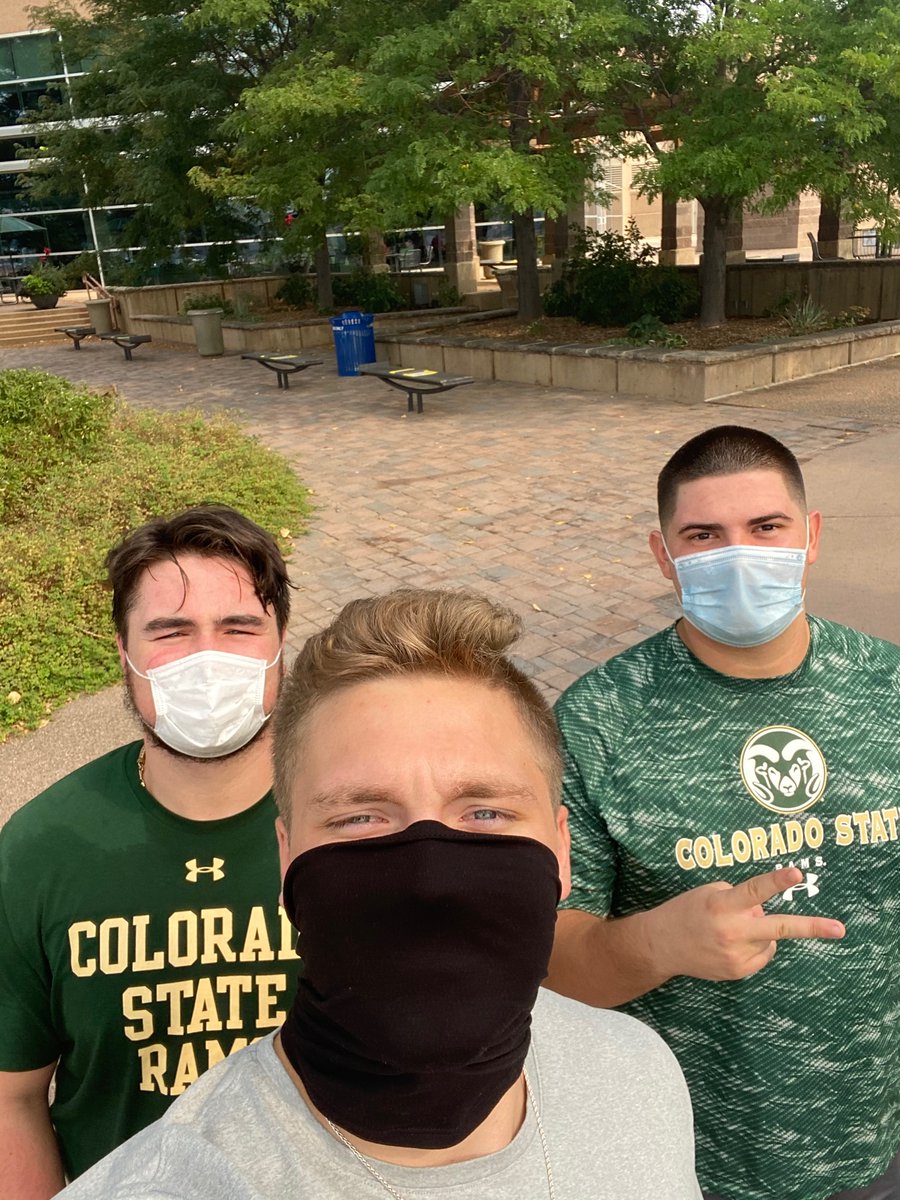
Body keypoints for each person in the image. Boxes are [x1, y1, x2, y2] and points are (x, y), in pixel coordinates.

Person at [59, 589, 702, 1200]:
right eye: (360, 819)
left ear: (562, 852)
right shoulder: (174, 1181)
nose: (430, 878)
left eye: (485, 814)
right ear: (286, 861)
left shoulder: (639, 1070)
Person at [547, 426, 900, 1200]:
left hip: (873, 1132)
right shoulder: (598, 721)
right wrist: (659, 940)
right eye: (703, 535)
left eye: (766, 528)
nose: (739, 554)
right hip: (680, 1153)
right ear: (662, 554)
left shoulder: (889, 686)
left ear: (810, 537)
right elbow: (554, 965)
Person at [0, 504, 300, 1198]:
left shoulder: (357, 825)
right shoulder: (43, 848)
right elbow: (12, 1097)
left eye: (239, 628)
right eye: (170, 632)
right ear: (124, 655)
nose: (207, 657)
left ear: (280, 644)